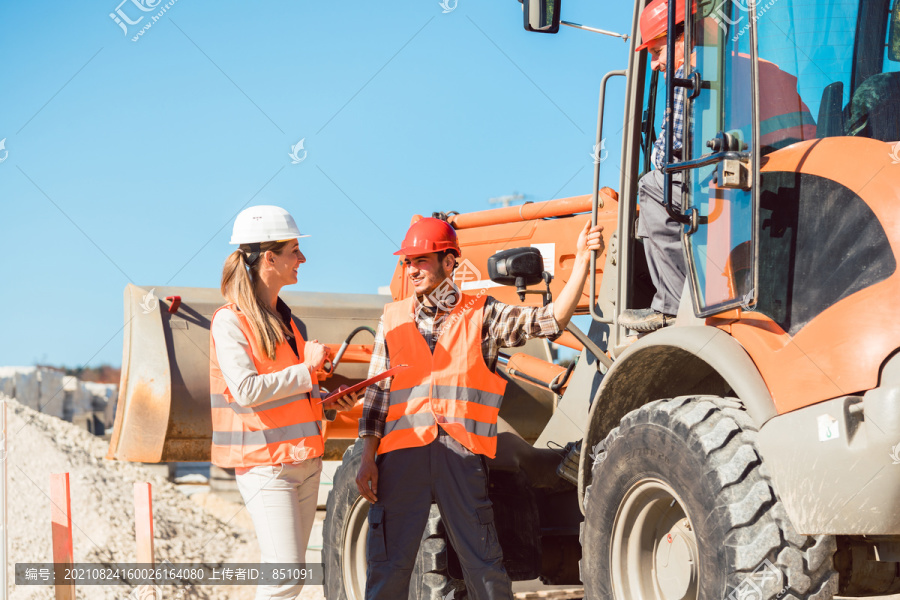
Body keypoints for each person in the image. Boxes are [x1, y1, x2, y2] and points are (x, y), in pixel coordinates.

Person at [356, 216, 604, 599]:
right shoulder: (392, 318)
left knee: (484, 565)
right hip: (402, 455)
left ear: (449, 262)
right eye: (410, 261)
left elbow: (551, 320)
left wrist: (585, 262)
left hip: (460, 455)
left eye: (422, 260)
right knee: (388, 566)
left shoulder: (482, 313)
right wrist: (367, 458)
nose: (413, 269)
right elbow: (377, 399)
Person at [209, 205, 357, 600]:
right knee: (285, 579)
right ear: (269, 258)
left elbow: (287, 394)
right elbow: (246, 390)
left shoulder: (286, 321)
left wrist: (328, 400)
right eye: (294, 250)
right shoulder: (230, 322)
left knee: (287, 579)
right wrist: (308, 373)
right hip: (266, 467)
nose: (302, 259)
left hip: (305, 463)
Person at [618, 0, 689, 332]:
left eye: (659, 51)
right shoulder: (748, 66)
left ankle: (672, 306)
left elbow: (667, 156)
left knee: (652, 185)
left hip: (716, 183)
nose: (657, 63)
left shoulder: (689, 81)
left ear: (684, 37)